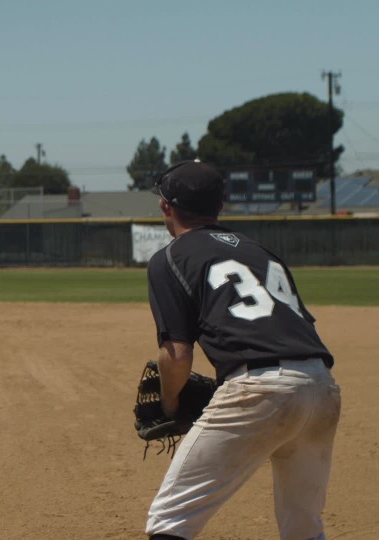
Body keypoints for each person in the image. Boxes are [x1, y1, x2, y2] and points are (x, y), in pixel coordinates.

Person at [144, 161, 341, 540]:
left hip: (259, 390)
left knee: (169, 521)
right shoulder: (261, 251)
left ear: (165, 207)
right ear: (220, 206)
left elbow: (177, 355)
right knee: (304, 528)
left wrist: (170, 404)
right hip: (322, 386)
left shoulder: (169, 258)